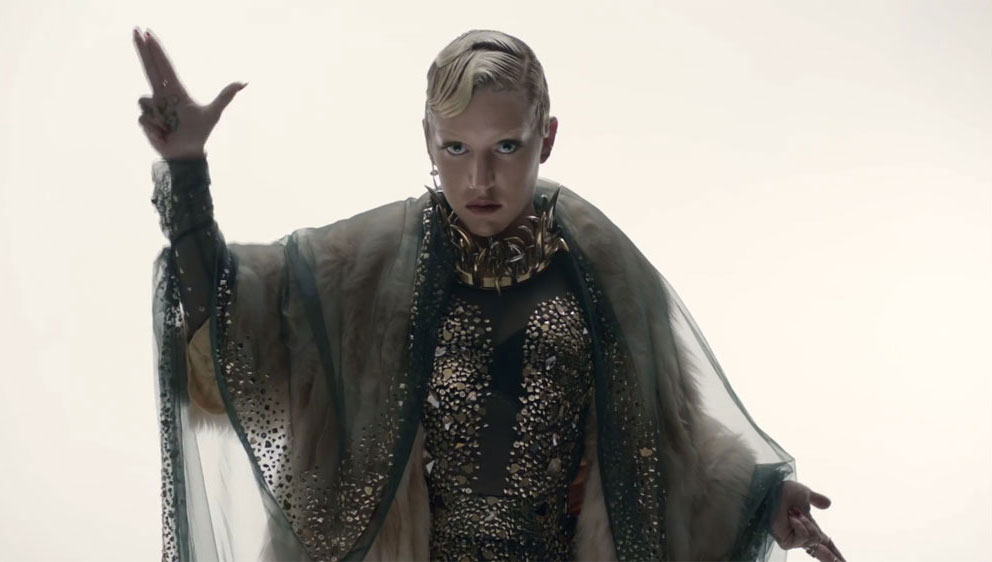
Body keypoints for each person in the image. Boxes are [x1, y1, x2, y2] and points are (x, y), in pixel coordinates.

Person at [136, 26, 847, 562]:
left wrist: (761, 500)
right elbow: (231, 336)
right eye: (457, 149)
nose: (479, 179)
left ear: (548, 138)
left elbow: (665, 446)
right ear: (428, 140)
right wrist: (188, 177)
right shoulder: (357, 269)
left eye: (506, 146)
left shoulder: (609, 280)